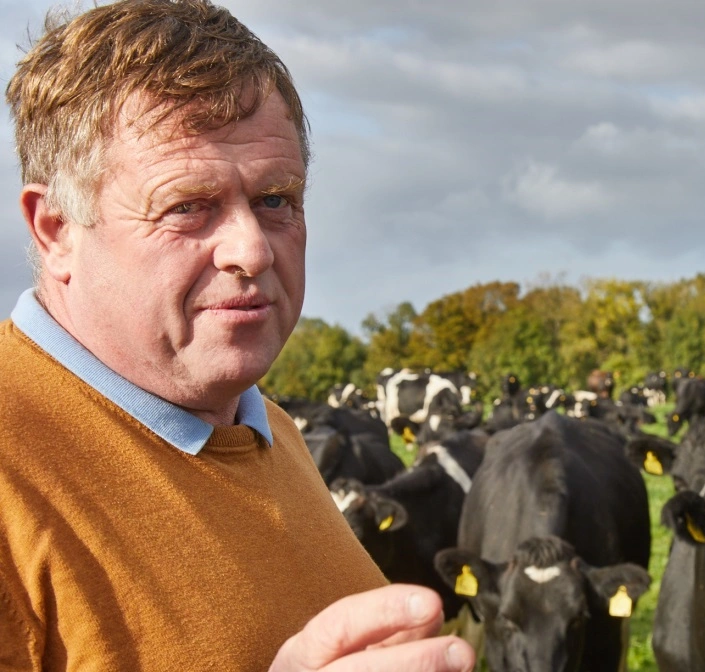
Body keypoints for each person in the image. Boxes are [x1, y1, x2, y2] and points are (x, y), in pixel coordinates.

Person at [0, 1, 474, 669]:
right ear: (55, 230)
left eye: (275, 199)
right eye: (188, 206)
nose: (251, 250)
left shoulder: (268, 431)